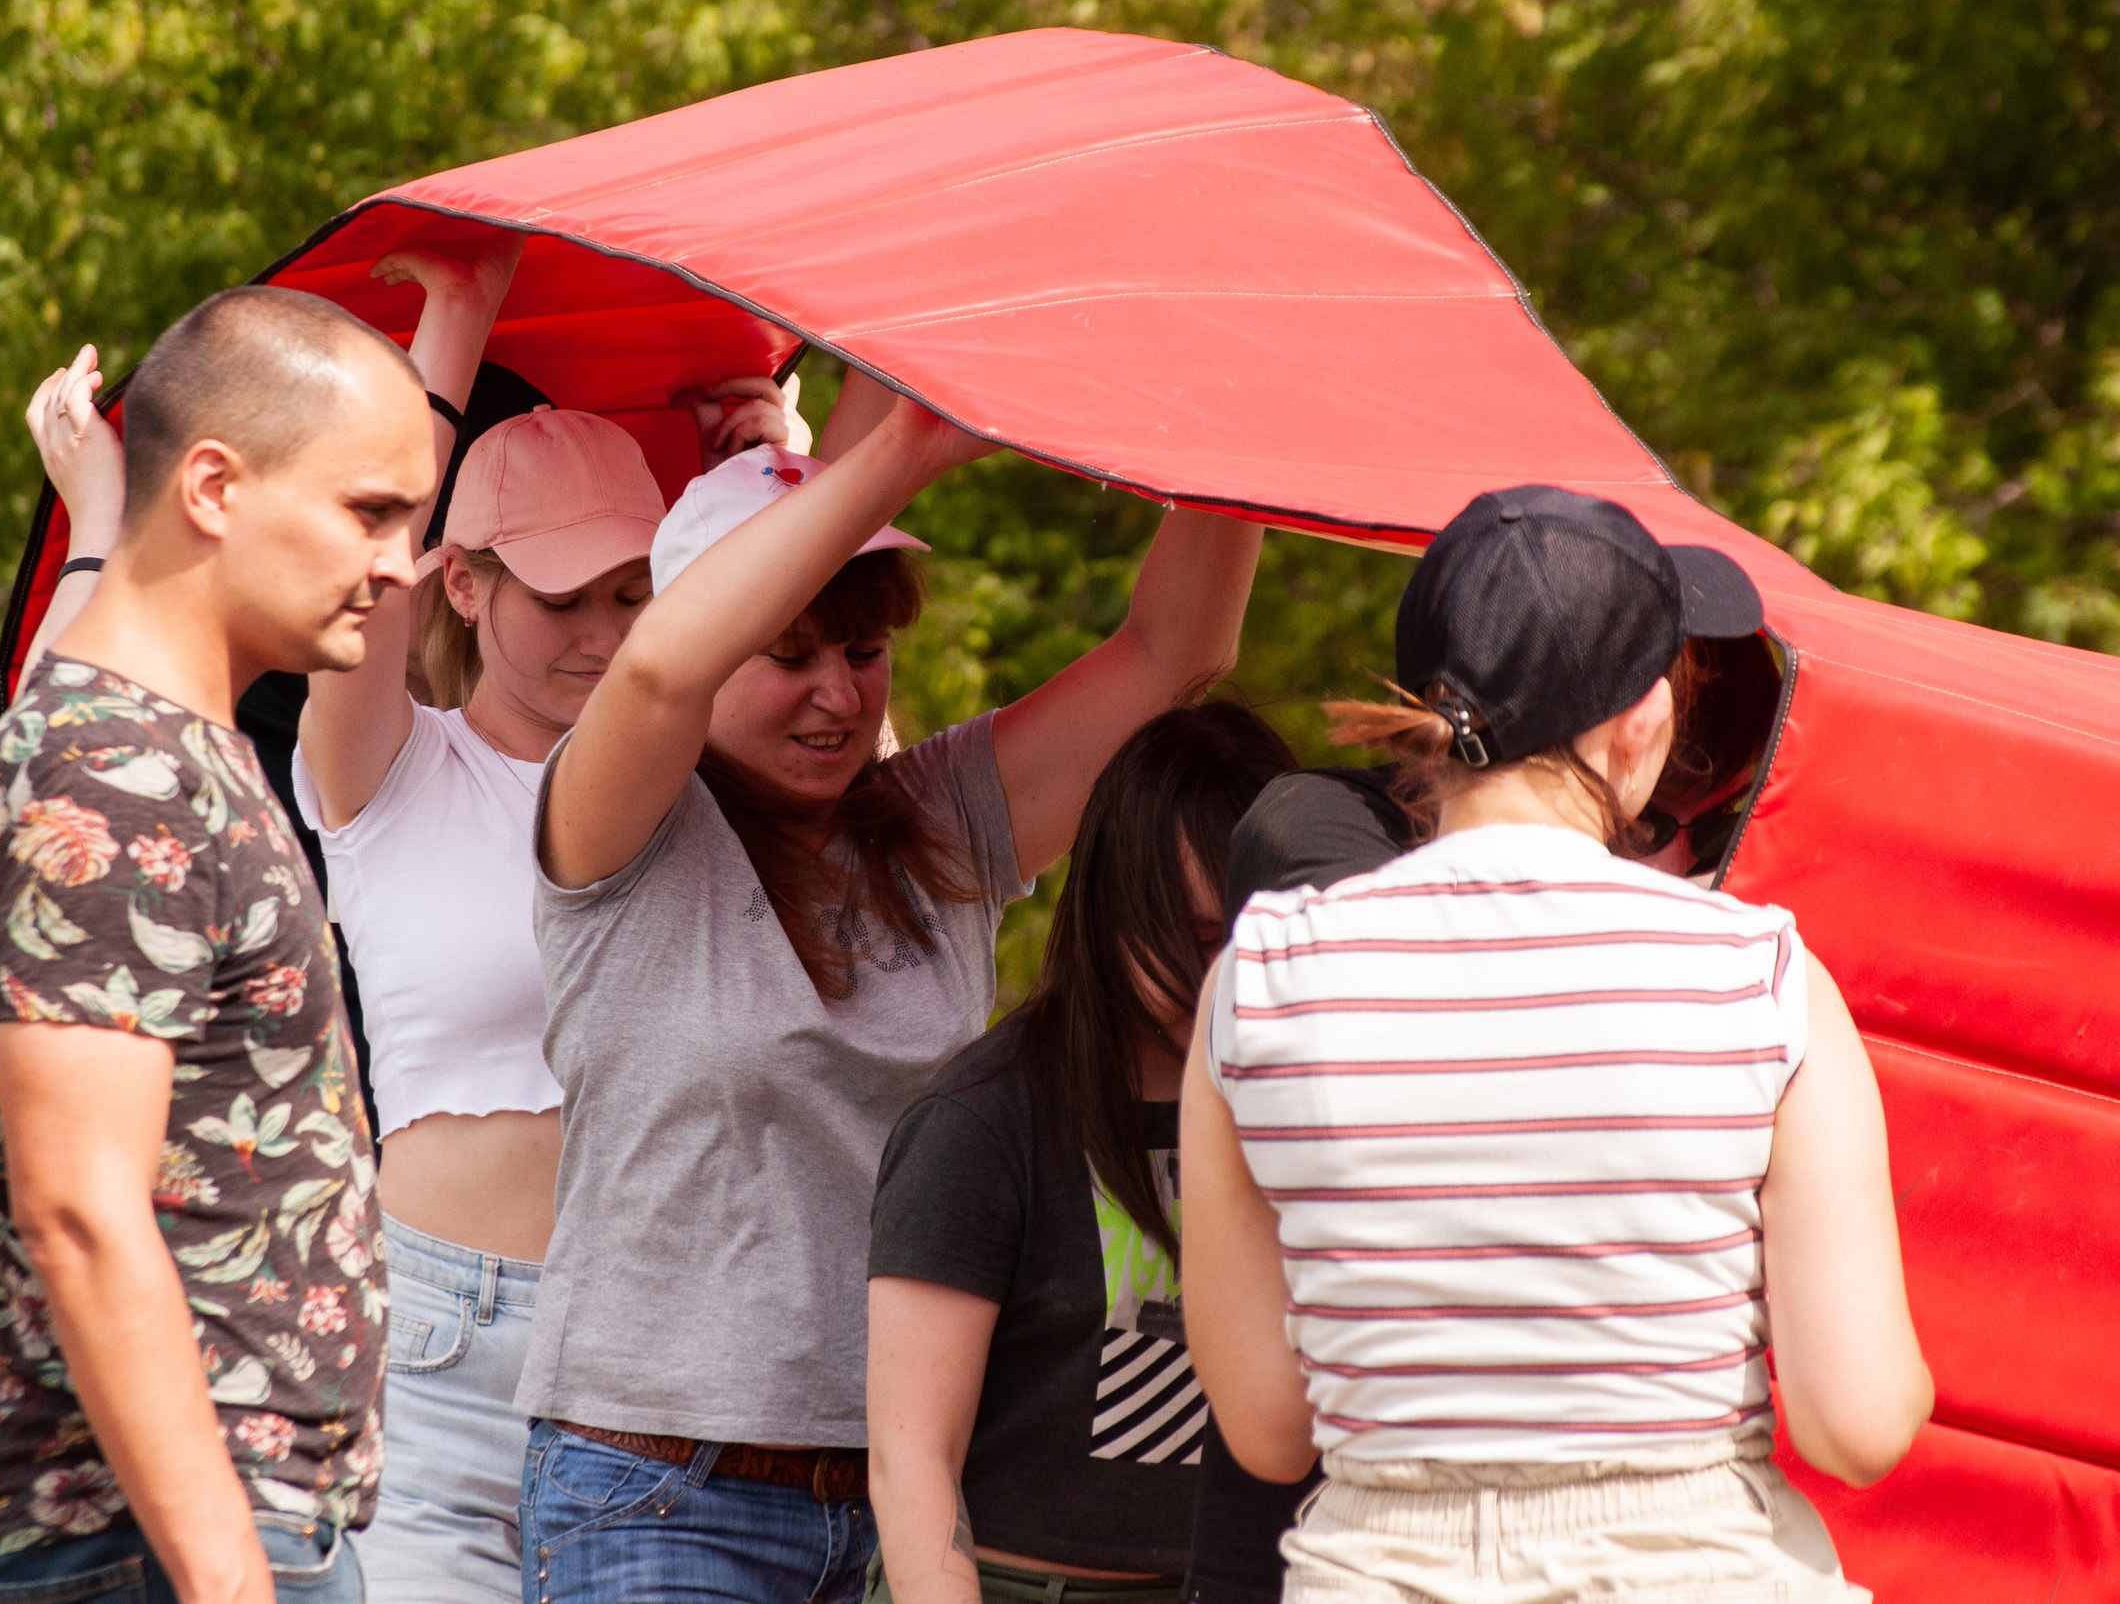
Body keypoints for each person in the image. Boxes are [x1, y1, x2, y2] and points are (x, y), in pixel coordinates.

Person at [18, 236, 807, 1604]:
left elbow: (865, 787)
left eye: (638, 594)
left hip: (664, 1351)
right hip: (450, 1345)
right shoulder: (387, 767)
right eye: (566, 596)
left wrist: (779, 475)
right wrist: (457, 312)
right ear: (465, 581)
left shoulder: (701, 777)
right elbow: (362, 554)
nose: (608, 635)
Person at [519, 383, 1265, 1604]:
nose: (839, 694)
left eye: (864, 654)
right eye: (789, 655)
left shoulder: (941, 820)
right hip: (662, 1492)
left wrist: (1236, 390)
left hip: (911, 1494)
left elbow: (1175, 656)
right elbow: (657, 673)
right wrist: (910, 446)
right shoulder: (628, 826)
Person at [1178, 486, 1931, 1602]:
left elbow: (1268, 1429)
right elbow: (1855, 1423)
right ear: (1643, 720)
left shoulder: (1260, 978)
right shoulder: (1759, 976)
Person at [0, 286, 432, 1604]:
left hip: (206, 1529)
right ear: (212, 486)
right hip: (172, 1541)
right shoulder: (119, 776)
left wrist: (99, 517)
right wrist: (228, 1579)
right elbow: (80, 1209)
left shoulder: (134, 735)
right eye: (371, 512)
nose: (400, 564)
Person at [863, 702, 1297, 1604]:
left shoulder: (1310, 1098)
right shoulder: (982, 1119)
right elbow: (913, 1461)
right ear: (1107, 907)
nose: (1214, 973)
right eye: (1182, 931)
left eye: (1242, 937)